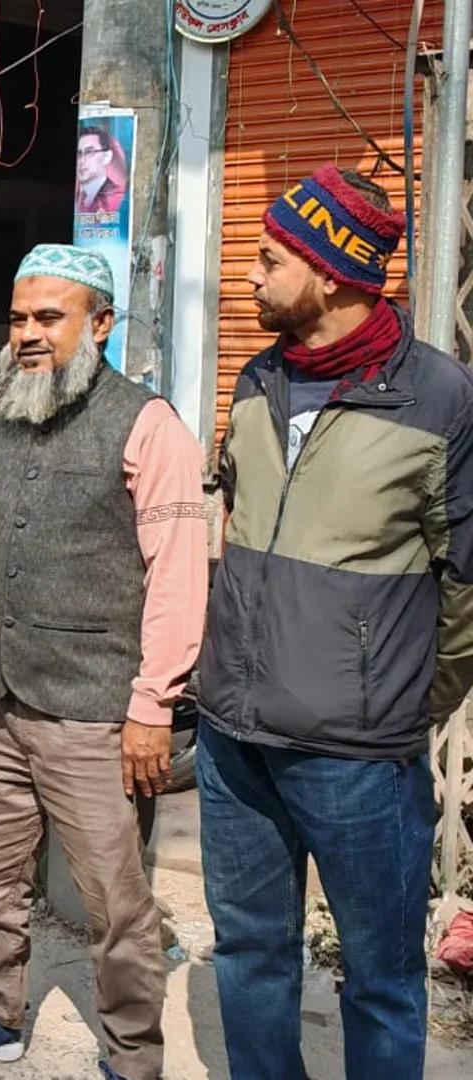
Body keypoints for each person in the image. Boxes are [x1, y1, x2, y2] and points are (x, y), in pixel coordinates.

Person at [0, 245, 207, 1079]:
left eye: (50, 317)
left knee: (116, 904)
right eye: (18, 319)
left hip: (97, 711)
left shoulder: (148, 424)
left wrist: (154, 704)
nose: (29, 335)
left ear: (100, 323)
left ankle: (131, 1057)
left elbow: (179, 572)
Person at [199, 165, 473, 1080]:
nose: (251, 276)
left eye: (270, 259)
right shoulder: (257, 379)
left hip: (359, 759)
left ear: (334, 273)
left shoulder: (441, 398)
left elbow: (468, 581)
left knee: (383, 982)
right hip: (234, 741)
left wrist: (396, 698)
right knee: (248, 955)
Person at [76, 127, 125, 217]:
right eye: (79, 153)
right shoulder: (77, 196)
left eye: (89, 152)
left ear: (106, 157)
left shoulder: (115, 195)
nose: (81, 160)